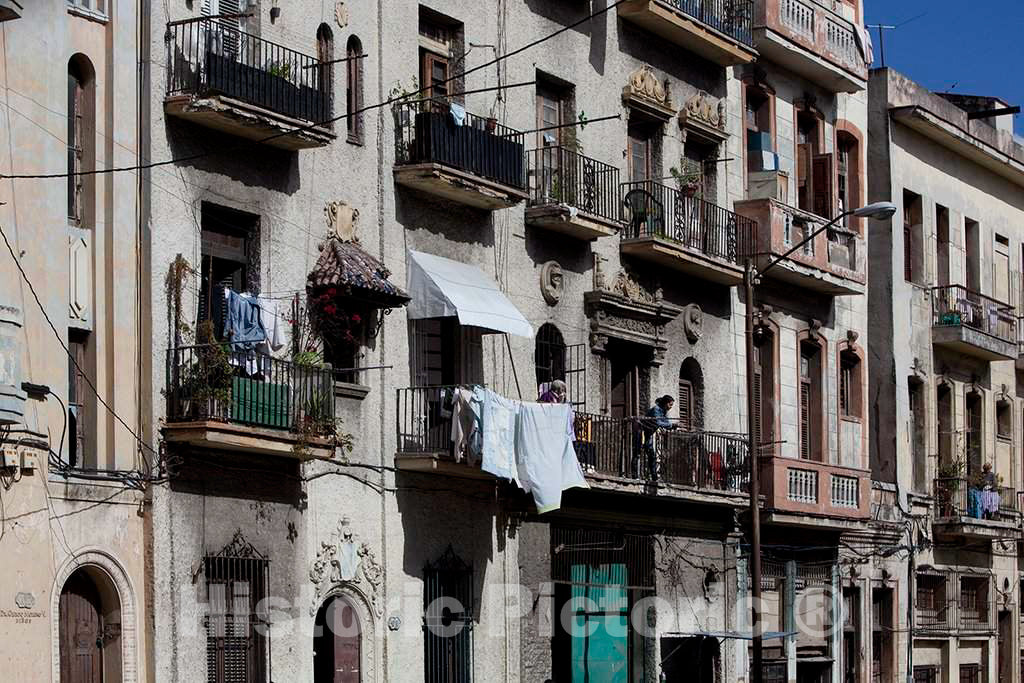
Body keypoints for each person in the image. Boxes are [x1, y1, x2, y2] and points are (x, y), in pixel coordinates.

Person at [637, 395, 675, 480]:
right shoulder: (656, 410)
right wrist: (672, 425)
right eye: (670, 405)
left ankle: (654, 476)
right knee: (637, 453)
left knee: (652, 455)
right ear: (665, 403)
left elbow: (666, 423)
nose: (670, 407)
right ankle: (635, 475)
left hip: (648, 433)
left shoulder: (663, 412)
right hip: (641, 431)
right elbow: (658, 422)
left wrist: (674, 426)